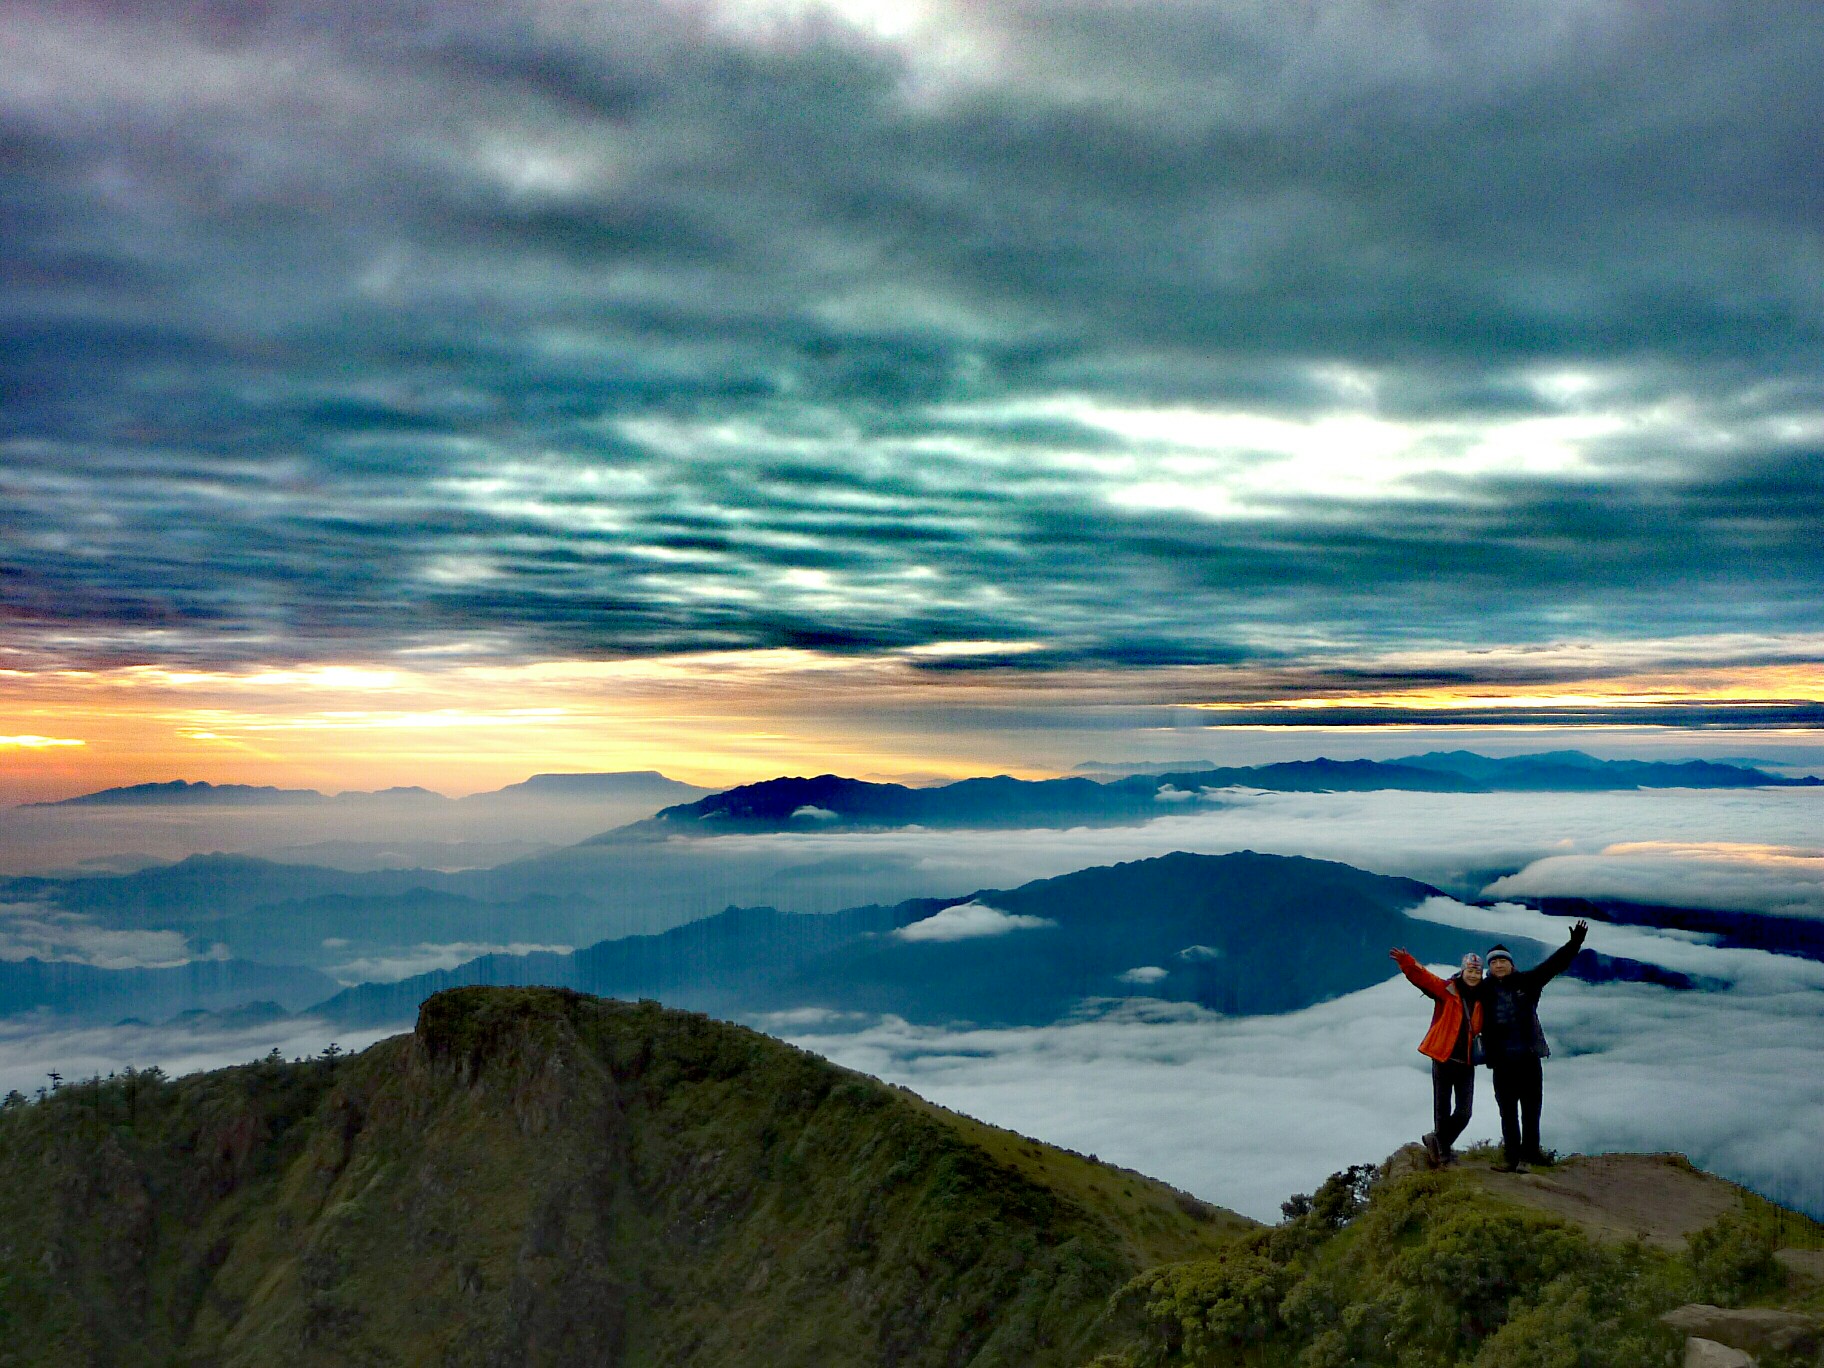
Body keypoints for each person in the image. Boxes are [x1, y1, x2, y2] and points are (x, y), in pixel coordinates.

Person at [1467, 920, 1590, 1173]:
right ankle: (1512, 1158)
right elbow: (1455, 986)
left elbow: (1553, 965)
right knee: (1508, 1113)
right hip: (1501, 1063)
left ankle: (1530, 1156)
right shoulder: (1483, 989)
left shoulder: (1528, 982)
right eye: (1494, 962)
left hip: (1528, 1059)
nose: (1499, 965)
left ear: (1511, 964)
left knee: (1531, 1111)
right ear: (1489, 967)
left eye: (1503, 960)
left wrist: (1574, 944)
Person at [1388, 947, 1484, 1166]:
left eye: (1477, 972)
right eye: (1470, 970)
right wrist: (1408, 963)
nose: (1473, 975)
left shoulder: (1483, 998)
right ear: (1462, 971)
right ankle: (1442, 1153)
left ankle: (1436, 1141)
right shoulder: (1447, 990)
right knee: (1442, 1108)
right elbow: (1425, 978)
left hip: (1467, 1061)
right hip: (1443, 1057)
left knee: (1464, 1112)